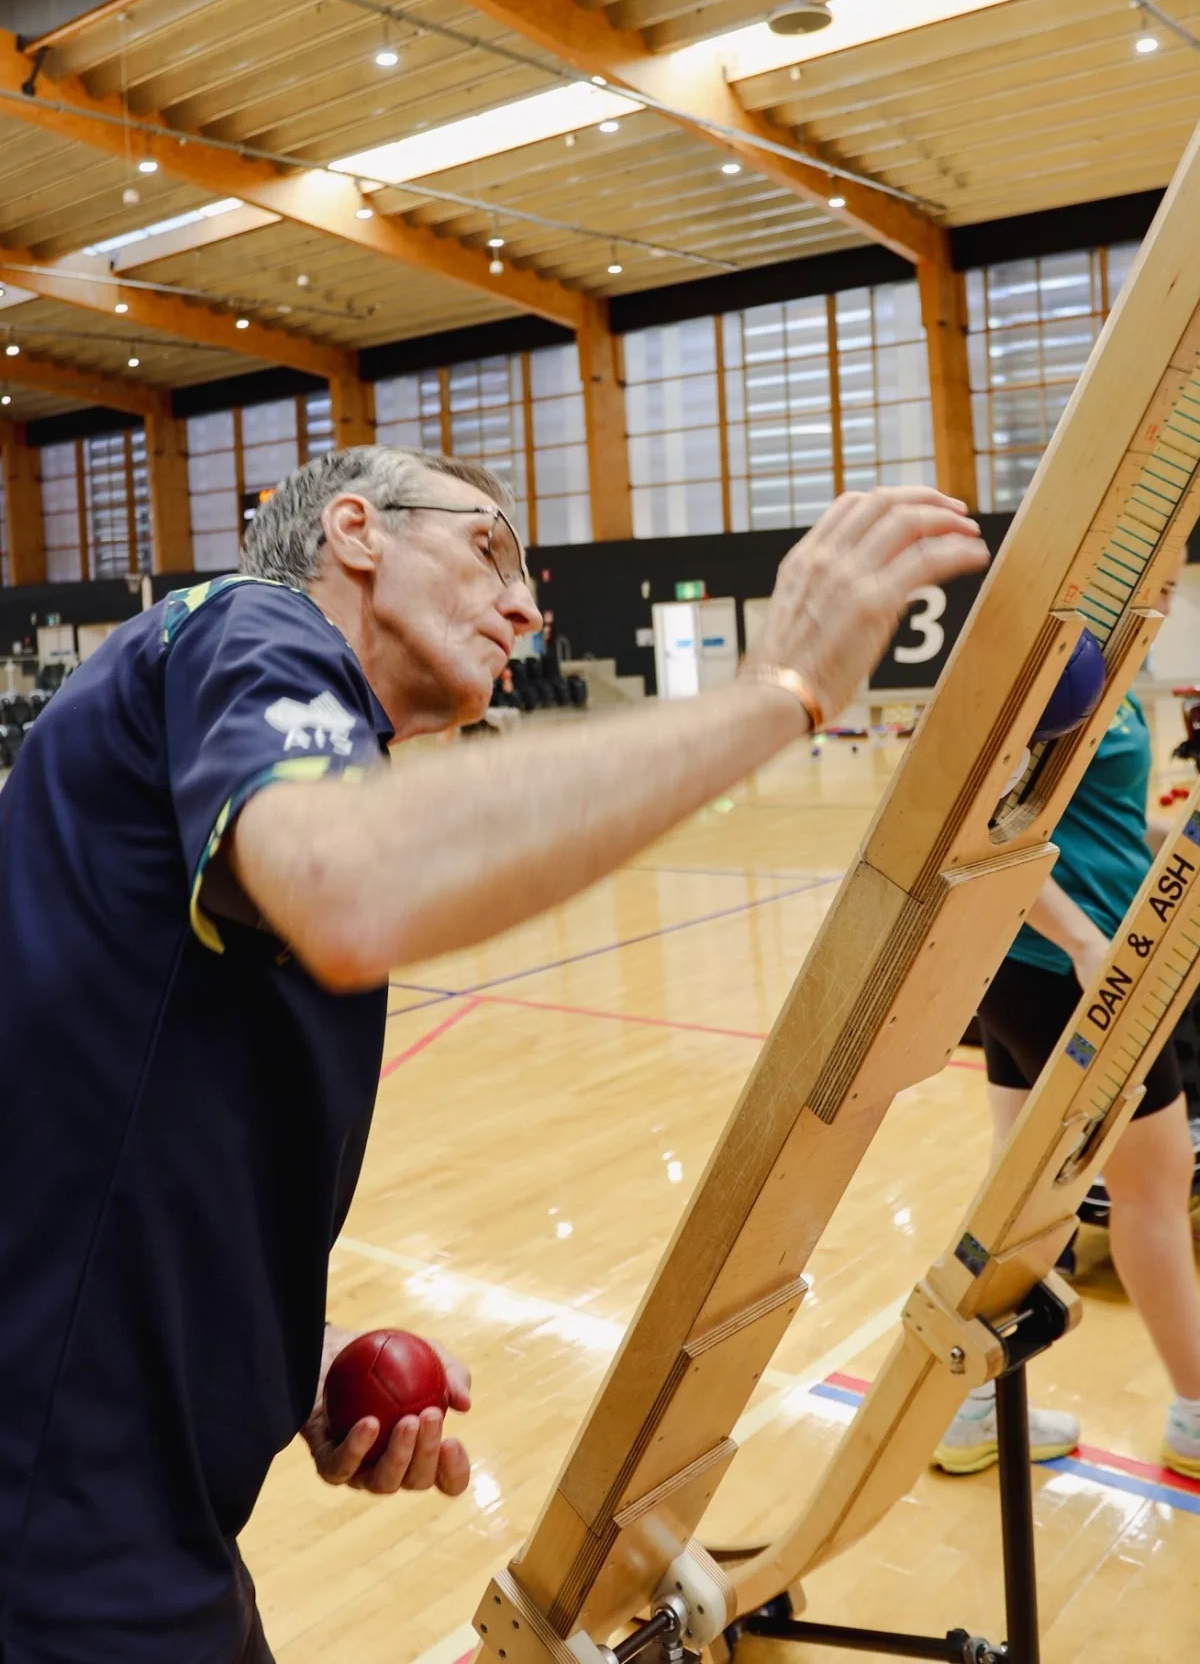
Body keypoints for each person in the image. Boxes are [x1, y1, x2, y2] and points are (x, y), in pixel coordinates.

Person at [0, 449, 987, 1663]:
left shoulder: (230, 729)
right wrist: (774, 693)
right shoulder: (259, 626)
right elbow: (348, 882)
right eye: (488, 551)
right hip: (65, 1513)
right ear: (355, 532)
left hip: (107, 1484)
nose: (525, 603)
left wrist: (270, 1350)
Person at [934, 579, 1200, 1482]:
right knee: (1154, 1184)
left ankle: (968, 1404)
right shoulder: (1066, 661)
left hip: (1046, 970)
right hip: (1066, 975)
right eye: (1157, 552)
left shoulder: (1118, 660)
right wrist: (1092, 945)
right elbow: (982, 831)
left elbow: (1093, 816)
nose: (1170, 572)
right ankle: (1198, 1414)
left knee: (1026, 1198)